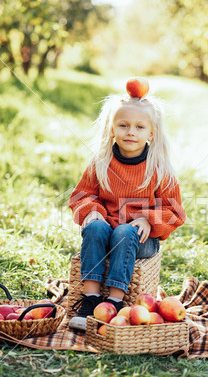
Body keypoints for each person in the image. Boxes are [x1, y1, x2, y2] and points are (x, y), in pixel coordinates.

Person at [68, 79, 186, 330]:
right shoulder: (101, 163)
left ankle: (115, 302)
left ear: (151, 134)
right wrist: (93, 213)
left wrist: (147, 219)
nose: (130, 132)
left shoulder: (159, 169)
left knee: (124, 232)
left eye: (139, 127)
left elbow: (174, 210)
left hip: (142, 239)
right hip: (106, 232)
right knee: (95, 229)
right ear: (112, 129)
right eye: (123, 125)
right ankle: (89, 300)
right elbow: (81, 195)